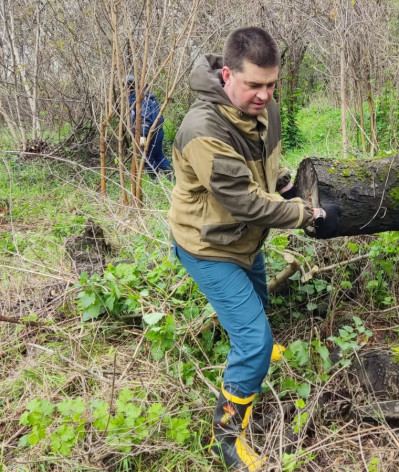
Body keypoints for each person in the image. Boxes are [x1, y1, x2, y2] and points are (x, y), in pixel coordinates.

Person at [167, 27, 341, 470]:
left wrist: (285, 187)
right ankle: (225, 438)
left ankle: (255, 351)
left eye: (271, 84)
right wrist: (301, 213)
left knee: (258, 306)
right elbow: (243, 199)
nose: (265, 95)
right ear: (227, 75)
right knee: (254, 339)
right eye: (254, 85)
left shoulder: (268, 110)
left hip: (245, 237)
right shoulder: (202, 129)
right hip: (208, 245)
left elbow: (266, 172)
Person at [126, 75, 173, 176]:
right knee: (158, 154)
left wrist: (142, 136)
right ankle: (171, 178)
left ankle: (155, 180)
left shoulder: (140, 99)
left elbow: (145, 117)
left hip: (148, 133)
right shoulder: (147, 96)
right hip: (157, 131)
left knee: (147, 156)